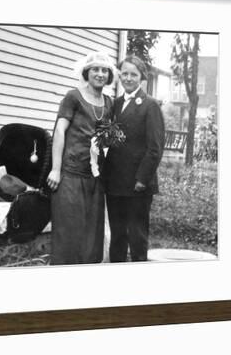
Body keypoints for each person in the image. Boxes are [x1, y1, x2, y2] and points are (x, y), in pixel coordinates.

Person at [47, 51, 115, 265]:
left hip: (94, 178)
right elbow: (59, 132)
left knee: (92, 237)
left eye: (104, 70)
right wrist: (56, 169)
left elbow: (107, 137)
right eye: (95, 69)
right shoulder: (73, 97)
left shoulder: (109, 102)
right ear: (87, 72)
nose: (100, 74)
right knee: (69, 234)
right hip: (70, 176)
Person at [104, 55, 165, 262]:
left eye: (133, 74)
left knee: (137, 237)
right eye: (125, 73)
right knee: (117, 236)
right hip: (115, 184)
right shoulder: (115, 104)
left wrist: (141, 179)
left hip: (137, 185)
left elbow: (155, 148)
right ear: (119, 75)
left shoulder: (150, 105)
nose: (128, 78)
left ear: (142, 78)